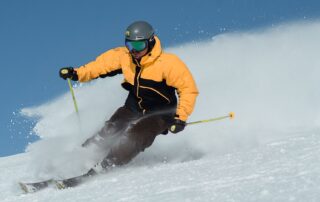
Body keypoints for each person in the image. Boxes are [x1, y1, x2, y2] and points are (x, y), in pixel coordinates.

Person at [59, 21, 199, 170]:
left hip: (161, 114)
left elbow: (188, 89)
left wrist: (180, 118)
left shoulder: (168, 63)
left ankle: (107, 165)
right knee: (111, 129)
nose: (134, 51)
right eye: (130, 45)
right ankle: (81, 157)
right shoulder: (125, 57)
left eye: (138, 46)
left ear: (150, 42)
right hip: (134, 107)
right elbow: (99, 66)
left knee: (136, 135)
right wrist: (77, 73)